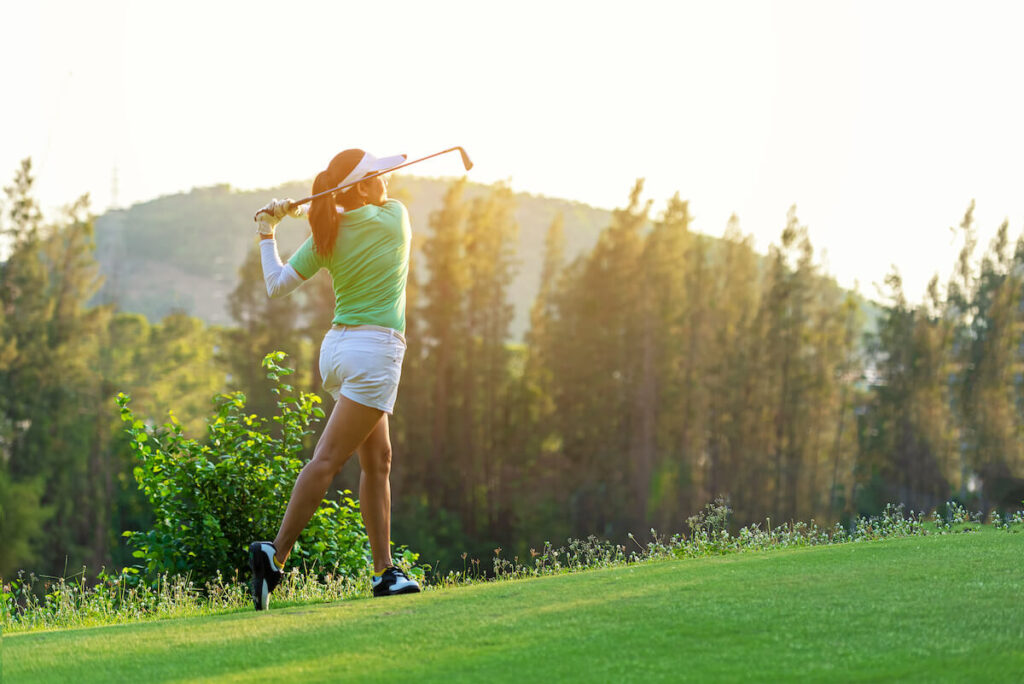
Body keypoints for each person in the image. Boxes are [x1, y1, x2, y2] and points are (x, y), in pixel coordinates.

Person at [248, 149, 420, 610]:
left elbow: (277, 284)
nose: (387, 180)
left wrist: (270, 230)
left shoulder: (327, 231)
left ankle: (385, 570)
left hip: (339, 353)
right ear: (363, 187)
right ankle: (275, 554)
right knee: (326, 461)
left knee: (378, 459)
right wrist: (320, 205)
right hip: (374, 354)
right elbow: (366, 202)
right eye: (378, 175)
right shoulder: (395, 217)